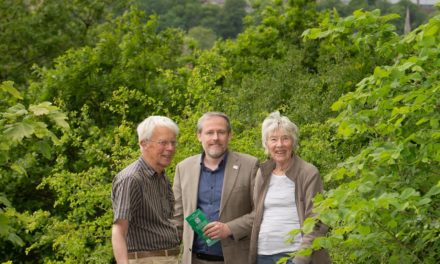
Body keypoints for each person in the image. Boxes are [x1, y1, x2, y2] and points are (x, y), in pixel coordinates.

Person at [173, 112, 259, 264]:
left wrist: (230, 228)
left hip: (235, 259)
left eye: (221, 132)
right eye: (209, 132)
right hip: (193, 260)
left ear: (229, 135)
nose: (215, 138)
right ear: (199, 136)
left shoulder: (250, 165)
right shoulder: (183, 168)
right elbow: (177, 217)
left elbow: (260, 212)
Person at [249, 112, 330, 264]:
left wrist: (300, 259)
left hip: (295, 255)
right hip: (263, 254)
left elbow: (317, 219)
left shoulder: (308, 172)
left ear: (293, 142)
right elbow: (255, 215)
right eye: (273, 139)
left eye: (285, 138)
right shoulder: (262, 173)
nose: (279, 145)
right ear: (266, 144)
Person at [111, 116, 181, 264]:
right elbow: (119, 230)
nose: (170, 148)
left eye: (173, 142)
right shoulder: (131, 179)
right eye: (163, 142)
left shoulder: (162, 177)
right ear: (144, 143)